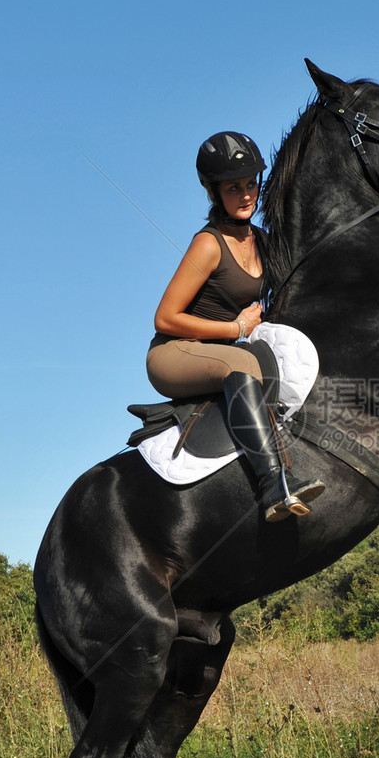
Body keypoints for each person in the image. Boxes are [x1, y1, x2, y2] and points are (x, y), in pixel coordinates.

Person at [147, 131, 325, 523]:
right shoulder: (208, 244)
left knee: (267, 363)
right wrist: (236, 327)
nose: (246, 195)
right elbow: (165, 318)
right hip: (174, 352)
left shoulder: (262, 241)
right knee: (241, 366)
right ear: (213, 193)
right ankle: (274, 485)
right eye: (233, 188)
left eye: (250, 185)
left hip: (227, 350)